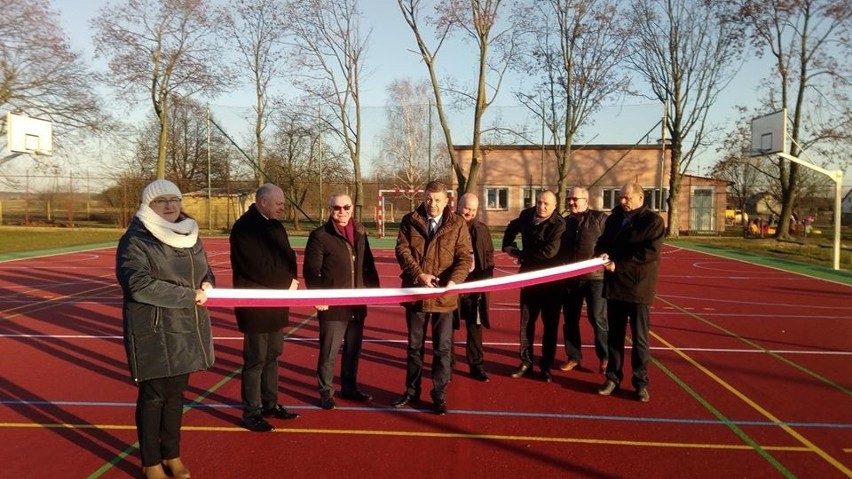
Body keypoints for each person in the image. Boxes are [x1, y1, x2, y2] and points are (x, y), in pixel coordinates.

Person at [116, 179, 214, 479]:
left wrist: (209, 282)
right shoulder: (135, 239)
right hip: (154, 329)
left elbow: (203, 269)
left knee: (175, 396)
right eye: (161, 201)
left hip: (187, 326)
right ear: (148, 205)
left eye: (174, 199)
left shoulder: (190, 234)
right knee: (154, 396)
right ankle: (151, 462)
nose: (170, 205)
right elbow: (138, 284)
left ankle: (172, 454)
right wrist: (188, 295)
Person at [393, 180, 472, 415]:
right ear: (423, 198)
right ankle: (411, 390)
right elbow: (402, 250)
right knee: (414, 347)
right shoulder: (410, 220)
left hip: (444, 298)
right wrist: (419, 275)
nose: (432, 204)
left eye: (437, 200)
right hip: (416, 294)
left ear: (446, 200)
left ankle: (439, 394)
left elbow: (464, 259)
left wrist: (453, 282)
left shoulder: (458, 224)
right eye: (428, 199)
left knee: (442, 349)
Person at [230, 183, 300, 432]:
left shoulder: (276, 226)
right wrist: (286, 283)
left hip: (277, 303)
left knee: (273, 355)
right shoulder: (244, 229)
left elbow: (289, 257)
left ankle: (270, 403)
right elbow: (254, 266)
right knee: (256, 359)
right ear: (263, 202)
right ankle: (251, 411)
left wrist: (292, 279)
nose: (283, 208)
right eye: (279, 203)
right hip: (255, 305)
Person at [303, 193, 380, 410]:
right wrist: (318, 295)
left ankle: (350, 387)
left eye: (346, 207)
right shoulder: (319, 236)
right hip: (333, 304)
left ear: (352, 208)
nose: (342, 211)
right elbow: (311, 270)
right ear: (330, 209)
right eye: (336, 207)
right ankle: (326, 391)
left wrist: (375, 291)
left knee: (353, 349)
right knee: (329, 350)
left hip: (357, 301)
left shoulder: (360, 232)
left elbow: (368, 264)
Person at [594, 183, 665, 403]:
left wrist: (619, 265)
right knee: (614, 337)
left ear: (640, 198)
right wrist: (602, 253)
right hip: (615, 287)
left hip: (638, 288)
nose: (623, 201)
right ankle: (613, 378)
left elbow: (648, 253)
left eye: (627, 197)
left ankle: (640, 383)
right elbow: (602, 241)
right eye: (620, 197)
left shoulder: (653, 222)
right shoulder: (614, 219)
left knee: (639, 339)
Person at [502, 190, 566, 382]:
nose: (541, 206)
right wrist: (508, 245)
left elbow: (549, 252)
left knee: (550, 325)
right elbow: (512, 227)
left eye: (546, 204)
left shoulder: (560, 225)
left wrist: (521, 255)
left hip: (551, 282)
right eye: (539, 202)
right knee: (526, 323)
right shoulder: (527, 215)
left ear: (554, 206)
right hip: (529, 279)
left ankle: (546, 366)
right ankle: (526, 362)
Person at [559, 186, 609, 374]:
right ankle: (573, 356)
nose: (571, 202)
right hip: (570, 280)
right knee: (570, 320)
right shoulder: (564, 223)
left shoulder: (600, 219)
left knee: (597, 318)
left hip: (596, 279)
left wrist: (607, 253)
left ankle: (605, 357)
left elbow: (612, 242)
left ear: (586, 200)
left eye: (575, 199)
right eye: (569, 199)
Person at [453, 193, 495, 382]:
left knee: (475, 329)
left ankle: (477, 366)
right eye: (466, 208)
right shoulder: (448, 226)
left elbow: (488, 256)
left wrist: (485, 281)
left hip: (475, 288)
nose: (469, 212)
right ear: (458, 206)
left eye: (473, 209)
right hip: (452, 286)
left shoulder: (482, 230)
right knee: (447, 329)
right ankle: (447, 366)